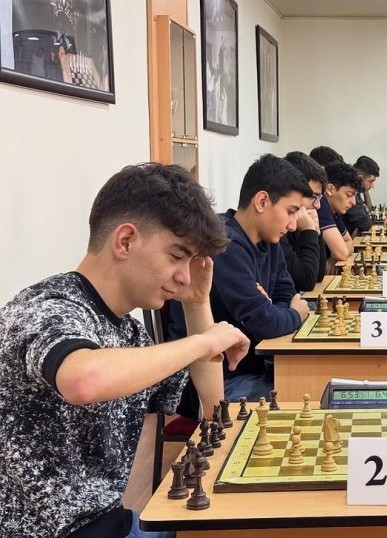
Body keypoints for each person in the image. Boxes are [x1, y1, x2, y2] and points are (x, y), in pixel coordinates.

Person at [0, 163, 250, 537]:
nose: (184, 275)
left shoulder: (130, 333)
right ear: (126, 241)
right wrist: (204, 341)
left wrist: (197, 303)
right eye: (176, 255)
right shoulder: (43, 308)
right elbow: (83, 379)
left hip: (112, 523)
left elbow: (214, 410)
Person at [169, 154, 311, 405]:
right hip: (216, 380)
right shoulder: (225, 244)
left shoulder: (269, 239)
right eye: (290, 212)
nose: (292, 225)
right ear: (262, 201)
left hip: (252, 366)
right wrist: (295, 314)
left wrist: (272, 311)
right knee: (304, 393)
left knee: (312, 385)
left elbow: (286, 293)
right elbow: (266, 321)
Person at [281, 151, 328, 291]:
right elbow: (306, 282)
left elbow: (319, 275)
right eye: (313, 196)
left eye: (319, 198)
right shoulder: (279, 228)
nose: (317, 205)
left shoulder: (300, 222)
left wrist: (315, 232)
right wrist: (309, 231)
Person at [319, 161, 361, 268]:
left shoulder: (333, 210)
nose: (354, 202)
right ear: (330, 189)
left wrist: (334, 257)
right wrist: (337, 253)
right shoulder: (321, 205)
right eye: (349, 195)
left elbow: (348, 241)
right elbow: (342, 253)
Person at [342, 155, 379, 236]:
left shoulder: (356, 191)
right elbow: (365, 223)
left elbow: (368, 209)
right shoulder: (349, 191)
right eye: (371, 181)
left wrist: (364, 188)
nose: (372, 186)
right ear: (360, 178)